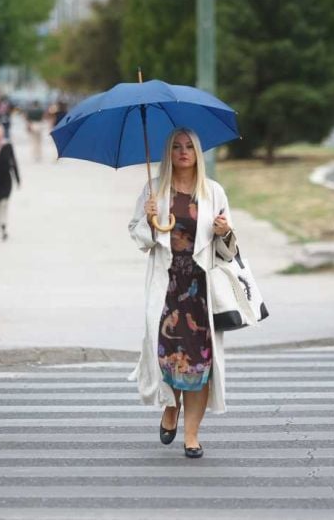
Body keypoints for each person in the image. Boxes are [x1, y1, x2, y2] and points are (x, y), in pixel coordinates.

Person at [128, 127, 236, 459]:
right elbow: (139, 237)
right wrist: (147, 220)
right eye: (176, 147)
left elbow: (228, 250)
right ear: (168, 153)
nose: (183, 152)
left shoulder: (213, 191)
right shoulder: (153, 189)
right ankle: (171, 406)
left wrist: (225, 231)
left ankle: (191, 435)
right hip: (167, 286)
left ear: (198, 152)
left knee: (201, 364)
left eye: (189, 146)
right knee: (167, 357)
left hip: (201, 290)